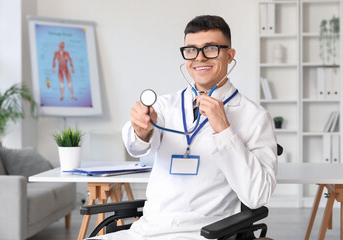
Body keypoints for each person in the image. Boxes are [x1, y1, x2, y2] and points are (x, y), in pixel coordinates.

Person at [90, 15, 277, 240]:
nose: (199, 58)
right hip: (147, 230)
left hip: (207, 233)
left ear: (230, 55)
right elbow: (136, 148)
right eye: (191, 50)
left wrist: (224, 130)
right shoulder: (164, 105)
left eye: (210, 48)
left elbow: (258, 195)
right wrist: (141, 131)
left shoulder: (254, 117)